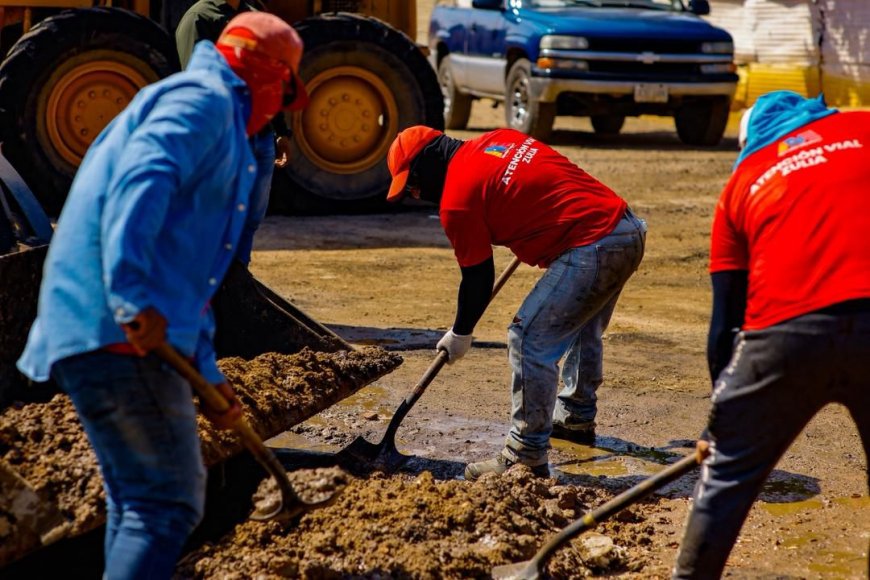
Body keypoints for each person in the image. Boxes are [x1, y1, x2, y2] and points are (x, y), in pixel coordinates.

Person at [16, 13, 308, 578]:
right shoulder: (203, 104)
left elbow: (187, 278)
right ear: (269, 78)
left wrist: (209, 378)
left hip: (102, 326)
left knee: (137, 504)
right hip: (118, 327)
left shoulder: (209, 113)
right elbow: (141, 179)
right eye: (284, 95)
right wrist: (130, 296)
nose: (278, 114)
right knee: (166, 503)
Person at [672, 91, 870, 578]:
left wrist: (719, 428)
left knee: (725, 478)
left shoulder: (745, 178)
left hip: (783, 334)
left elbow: (725, 330)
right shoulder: (863, 128)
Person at [385, 125, 646, 480]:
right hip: (625, 230)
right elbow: (538, 180)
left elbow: (477, 278)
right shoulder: (499, 138)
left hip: (593, 245)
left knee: (529, 339)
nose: (415, 194)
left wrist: (460, 333)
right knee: (580, 325)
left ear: (428, 163)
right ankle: (575, 417)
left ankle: (525, 454)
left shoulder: (457, 200)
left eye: (412, 184)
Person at [176, 0, 297, 265]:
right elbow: (199, 82)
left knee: (251, 217)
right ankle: (216, 282)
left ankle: (239, 277)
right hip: (225, 135)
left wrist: (280, 131)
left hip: (262, 137)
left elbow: (269, 80)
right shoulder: (199, 18)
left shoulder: (254, 14)